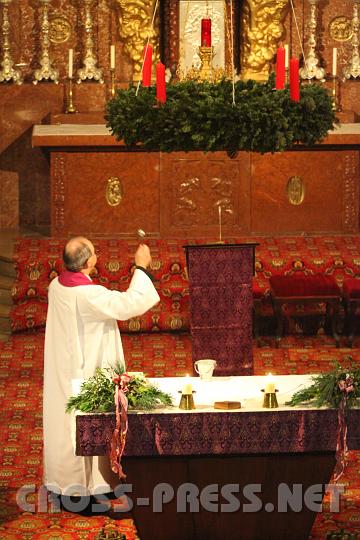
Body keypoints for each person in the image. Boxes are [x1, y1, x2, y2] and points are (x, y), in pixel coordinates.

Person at [43, 236, 160, 512]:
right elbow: (129, 305)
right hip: (89, 367)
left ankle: (67, 485)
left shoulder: (55, 286)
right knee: (94, 419)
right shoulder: (89, 295)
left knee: (65, 423)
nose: (97, 255)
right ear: (89, 262)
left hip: (64, 368)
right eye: (94, 252)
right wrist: (141, 268)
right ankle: (90, 491)